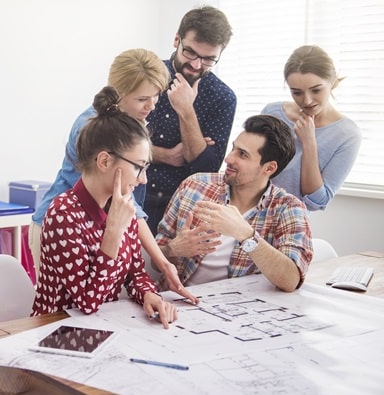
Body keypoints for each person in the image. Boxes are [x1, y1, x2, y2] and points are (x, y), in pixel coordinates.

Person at [29, 48, 198, 303]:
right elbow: (86, 301)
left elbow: (129, 213)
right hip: (68, 227)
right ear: (119, 94)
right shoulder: (92, 129)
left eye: (155, 97)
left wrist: (156, 270)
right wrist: (161, 260)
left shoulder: (133, 123)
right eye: (143, 99)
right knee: (70, 304)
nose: (151, 106)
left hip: (109, 221)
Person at [31, 86, 178, 328]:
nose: (144, 180)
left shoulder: (121, 205)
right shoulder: (62, 214)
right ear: (105, 161)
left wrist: (148, 294)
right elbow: (87, 303)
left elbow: (135, 274)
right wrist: (113, 233)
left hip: (102, 327)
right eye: (139, 167)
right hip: (56, 331)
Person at [155, 115, 312, 293]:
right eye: (233, 149)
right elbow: (155, 258)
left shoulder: (288, 208)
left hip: (235, 310)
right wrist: (173, 249)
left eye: (242, 155)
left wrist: (246, 235)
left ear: (269, 168)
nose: (228, 159)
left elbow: (291, 280)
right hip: (174, 300)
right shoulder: (195, 186)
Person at [144, 6, 237, 235]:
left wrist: (186, 110)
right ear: (177, 39)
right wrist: (167, 155)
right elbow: (112, 143)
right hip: (132, 195)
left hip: (181, 208)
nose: (196, 65)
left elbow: (206, 168)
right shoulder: (145, 75)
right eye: (190, 53)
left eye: (208, 59)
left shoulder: (223, 98)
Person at [262, 45, 361, 211]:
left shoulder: (347, 135)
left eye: (316, 90)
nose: (307, 101)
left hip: (290, 222)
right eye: (297, 92)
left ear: (332, 80)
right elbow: (250, 166)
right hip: (247, 210)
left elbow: (317, 201)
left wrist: (309, 143)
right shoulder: (272, 113)